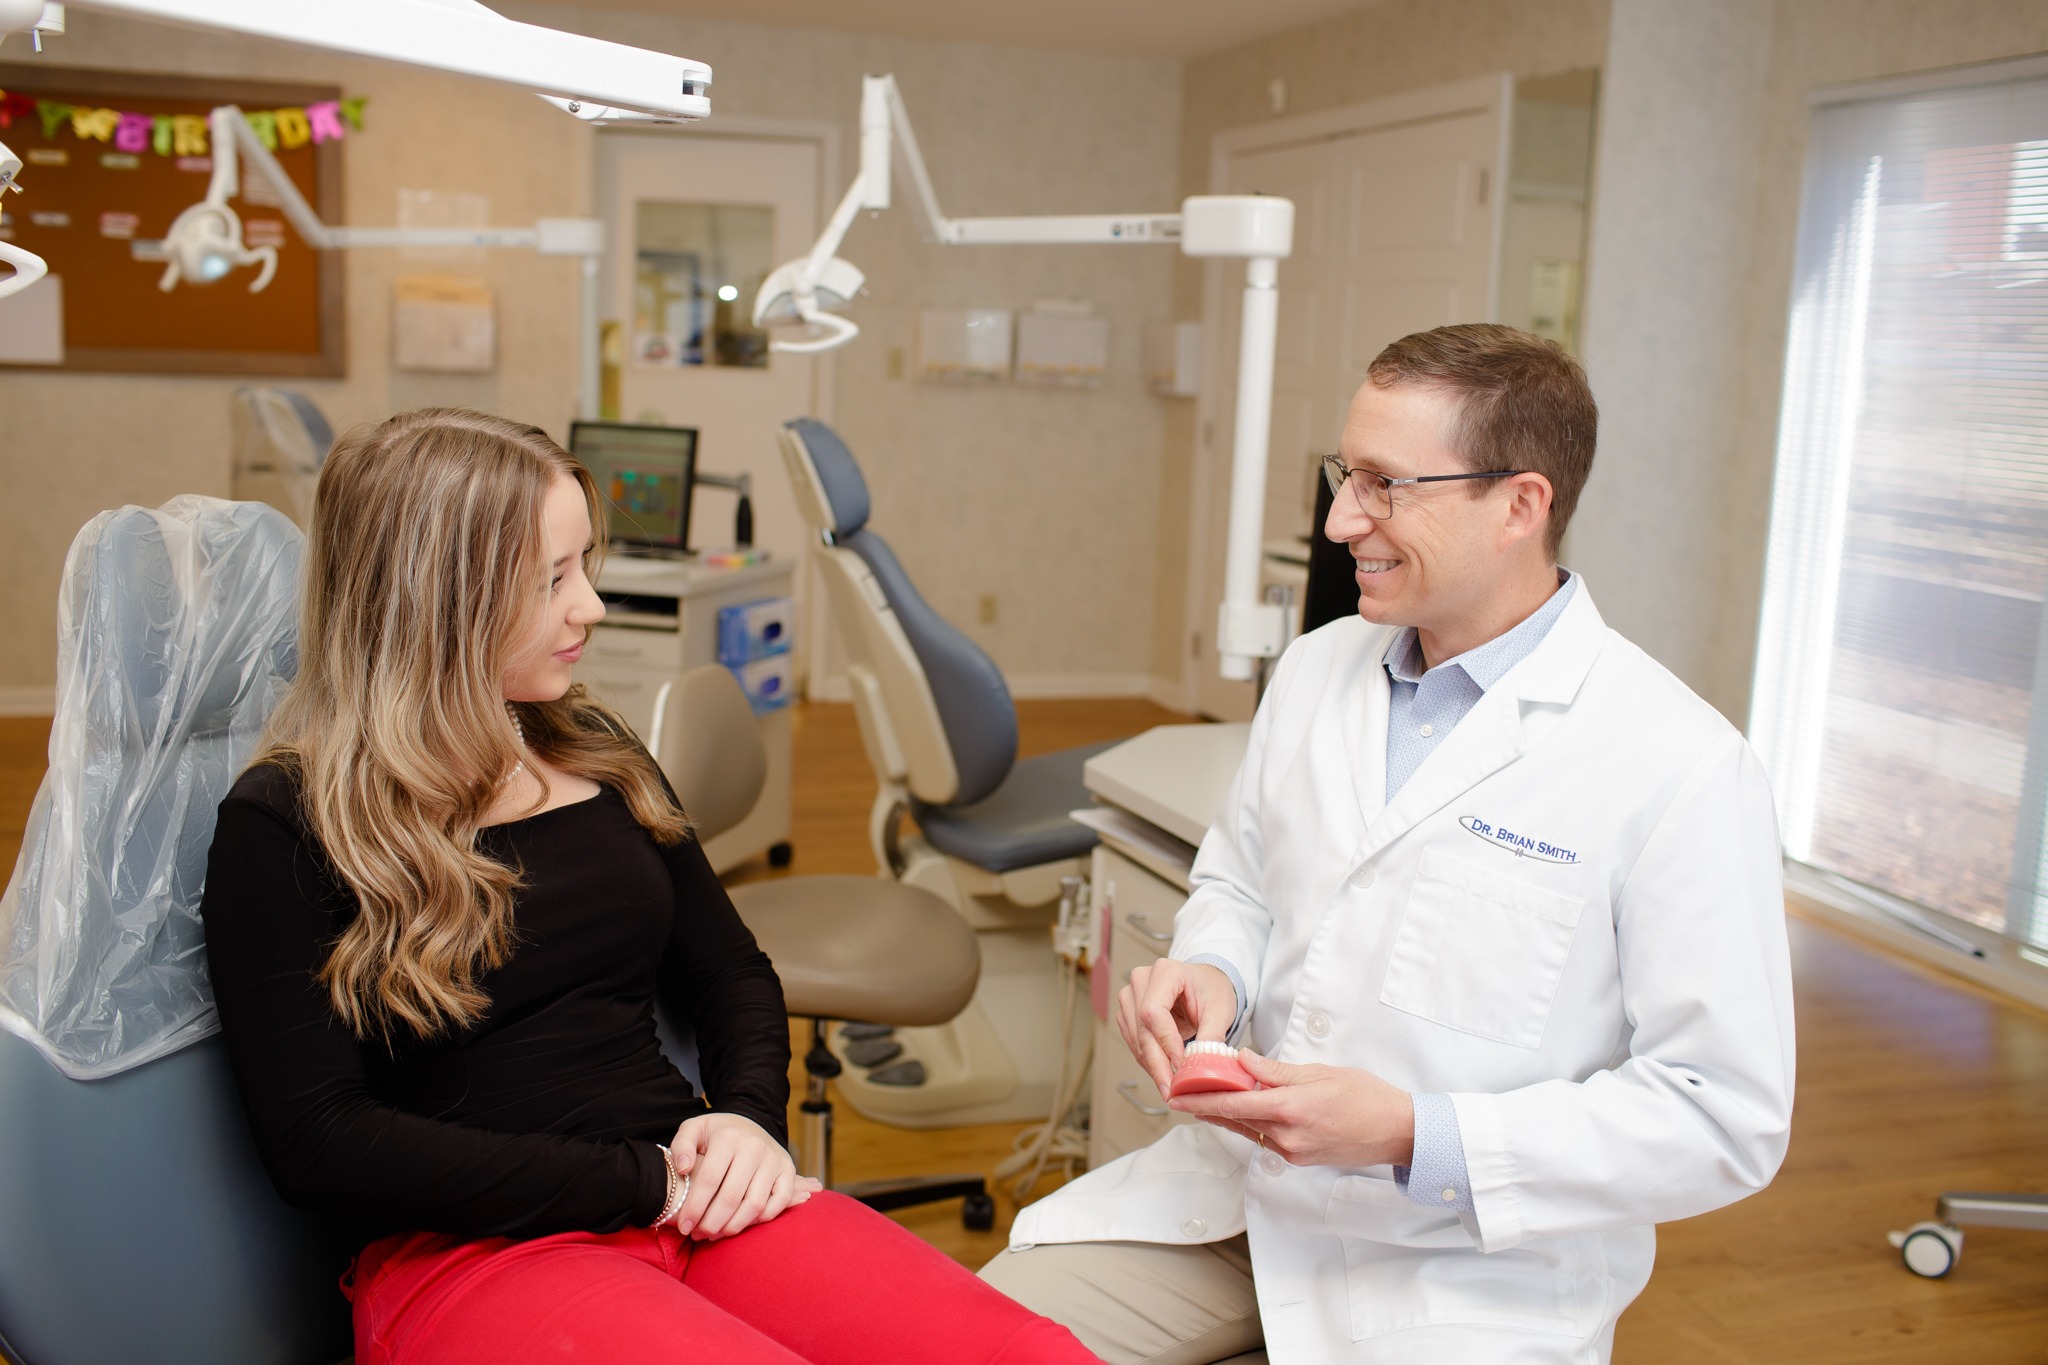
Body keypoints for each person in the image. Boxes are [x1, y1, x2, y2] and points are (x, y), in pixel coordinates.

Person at [200, 408, 1095, 1365]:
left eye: (586, 565)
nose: (589, 605)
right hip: (477, 1256)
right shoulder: (288, 822)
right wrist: (642, 1181)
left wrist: (749, 1120)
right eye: (552, 580)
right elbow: (322, 1142)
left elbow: (731, 969)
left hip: (697, 1196)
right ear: (438, 599)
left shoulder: (596, 752)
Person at [981, 325, 1796, 1364]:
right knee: (950, 1336)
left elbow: (1720, 1118)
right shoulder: (1321, 668)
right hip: (1234, 1205)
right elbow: (1240, 875)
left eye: (1380, 485)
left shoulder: (1675, 766)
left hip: (1461, 1270)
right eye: (1341, 475)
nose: (1335, 522)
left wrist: (1417, 1135)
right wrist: (1211, 967)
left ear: (1518, 505)